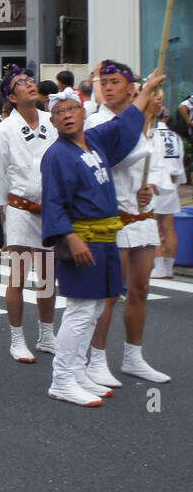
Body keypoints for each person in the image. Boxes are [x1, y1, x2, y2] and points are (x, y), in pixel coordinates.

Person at [41, 70, 165, 406]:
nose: (67, 116)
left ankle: (79, 372)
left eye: (72, 110)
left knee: (95, 308)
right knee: (81, 310)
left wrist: (148, 89)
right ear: (53, 122)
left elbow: (125, 123)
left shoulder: (94, 140)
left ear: (84, 112)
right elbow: (53, 201)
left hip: (106, 235)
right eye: (59, 113)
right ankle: (62, 378)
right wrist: (70, 237)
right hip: (82, 239)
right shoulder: (56, 155)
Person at [84, 60, 172, 385]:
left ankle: (133, 356)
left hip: (143, 218)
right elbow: (111, 159)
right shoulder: (95, 122)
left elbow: (160, 167)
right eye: (102, 81)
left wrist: (153, 187)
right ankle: (95, 359)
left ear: (130, 87)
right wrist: (143, 117)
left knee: (141, 289)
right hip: (112, 219)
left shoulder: (151, 126)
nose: (107, 87)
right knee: (108, 293)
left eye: (114, 82)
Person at [0, 69, 58, 364]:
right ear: (13, 97)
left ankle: (47, 333)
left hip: (49, 208)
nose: (30, 85)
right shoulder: (4, 129)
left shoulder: (51, 123)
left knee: (47, 278)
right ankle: (17, 337)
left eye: (31, 81)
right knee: (17, 276)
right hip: (18, 207)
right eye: (22, 84)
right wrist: (2, 214)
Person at [151, 97, 184, 279]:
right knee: (169, 227)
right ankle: (169, 267)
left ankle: (159, 267)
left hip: (156, 184)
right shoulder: (175, 137)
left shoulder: (152, 134)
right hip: (171, 184)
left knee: (153, 226)